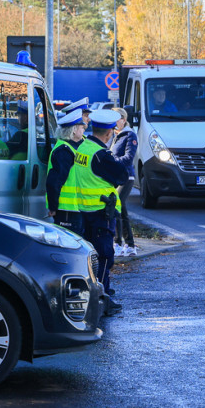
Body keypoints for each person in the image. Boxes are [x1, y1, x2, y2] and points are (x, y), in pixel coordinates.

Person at [75, 109, 130, 316]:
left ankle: (95, 294)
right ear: (109, 134)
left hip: (84, 210)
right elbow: (122, 176)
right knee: (104, 256)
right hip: (100, 214)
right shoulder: (101, 155)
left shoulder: (84, 147)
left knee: (90, 257)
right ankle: (103, 299)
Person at [45, 109, 87, 235]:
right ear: (74, 130)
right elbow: (54, 182)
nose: (84, 128)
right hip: (67, 210)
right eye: (81, 127)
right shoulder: (63, 151)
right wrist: (53, 207)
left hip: (76, 208)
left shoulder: (73, 147)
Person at [110, 106, 138, 257]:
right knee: (122, 210)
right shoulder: (116, 135)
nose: (114, 122)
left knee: (117, 207)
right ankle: (130, 244)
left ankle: (119, 243)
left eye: (117, 118)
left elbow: (128, 158)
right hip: (116, 177)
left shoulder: (129, 135)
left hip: (126, 177)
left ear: (124, 120)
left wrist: (111, 161)